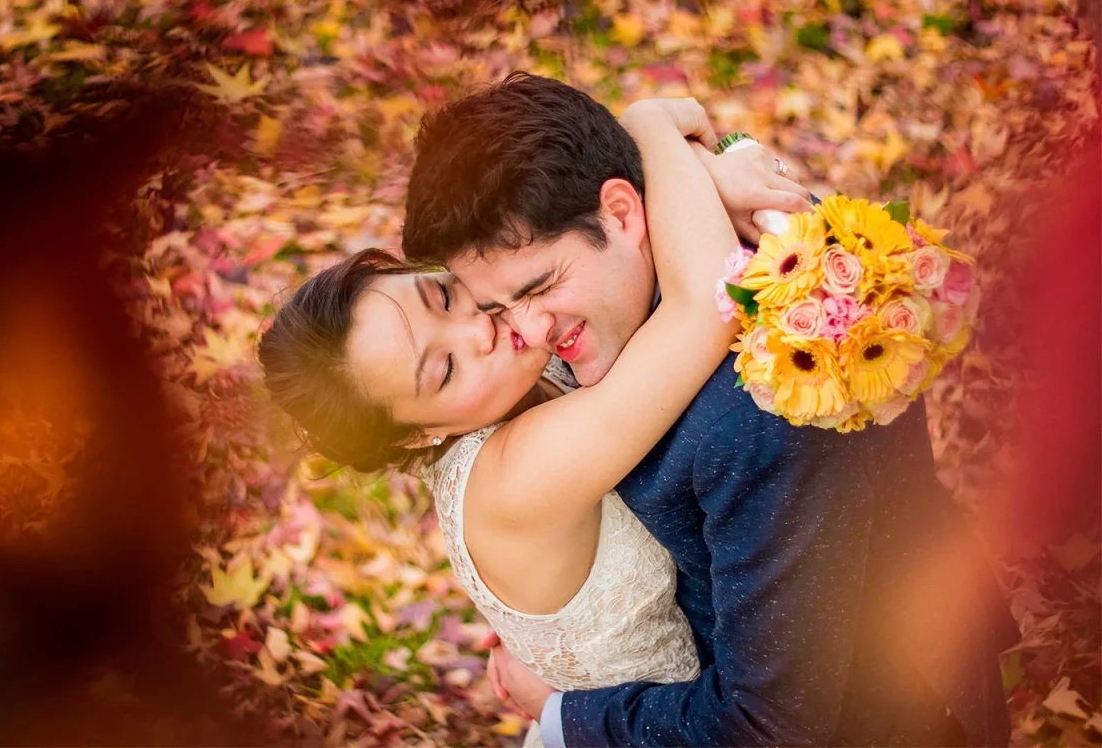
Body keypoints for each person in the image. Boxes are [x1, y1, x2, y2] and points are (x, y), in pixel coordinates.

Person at [401, 72, 1019, 747]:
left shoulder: (763, 405)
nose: (526, 333)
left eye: (540, 286)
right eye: (494, 306)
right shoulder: (669, 254)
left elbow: (765, 727)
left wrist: (562, 714)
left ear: (621, 212)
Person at [259, 98, 768, 747]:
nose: (480, 327)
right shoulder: (515, 476)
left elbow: (564, 209)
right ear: (418, 434)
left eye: (442, 295)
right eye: (441, 370)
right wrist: (646, 123)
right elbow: (707, 303)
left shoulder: (515, 371)